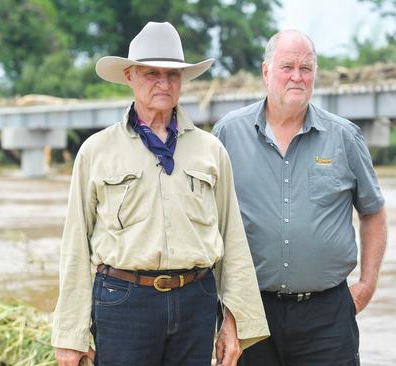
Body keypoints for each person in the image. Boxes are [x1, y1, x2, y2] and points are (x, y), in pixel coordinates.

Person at [51, 21, 268, 366]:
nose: (163, 83)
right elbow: (75, 244)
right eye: (152, 73)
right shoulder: (96, 150)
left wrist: (235, 320)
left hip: (197, 299)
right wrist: (70, 336)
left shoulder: (211, 150)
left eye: (172, 75)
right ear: (129, 75)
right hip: (123, 301)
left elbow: (233, 238)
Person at [212, 29, 387, 366]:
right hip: (250, 313)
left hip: (328, 315)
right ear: (266, 72)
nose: (297, 76)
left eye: (306, 68)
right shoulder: (227, 134)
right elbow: (210, 223)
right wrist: (224, 311)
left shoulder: (345, 137)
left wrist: (366, 284)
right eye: (287, 67)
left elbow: (373, 212)